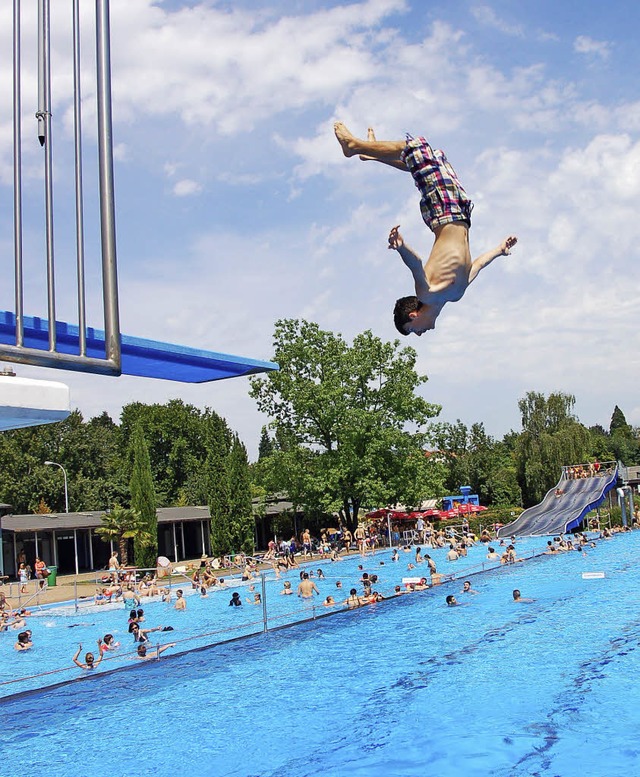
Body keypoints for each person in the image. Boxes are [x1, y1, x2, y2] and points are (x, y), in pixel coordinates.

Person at [334, 123, 517, 335]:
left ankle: (354, 146)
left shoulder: (427, 293)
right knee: (436, 158)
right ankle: (372, 153)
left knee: (418, 149)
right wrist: (499, 250)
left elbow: (416, 264)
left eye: (412, 330)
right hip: (463, 212)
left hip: (443, 212)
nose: (419, 334)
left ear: (413, 315)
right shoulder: (456, 294)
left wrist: (401, 247)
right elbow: (478, 264)